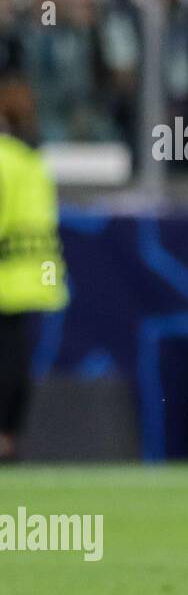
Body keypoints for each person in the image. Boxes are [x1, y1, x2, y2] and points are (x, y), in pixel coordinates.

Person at [0, 81, 68, 461]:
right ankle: (9, 434)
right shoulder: (32, 159)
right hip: (33, 271)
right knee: (14, 357)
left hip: (6, 273)